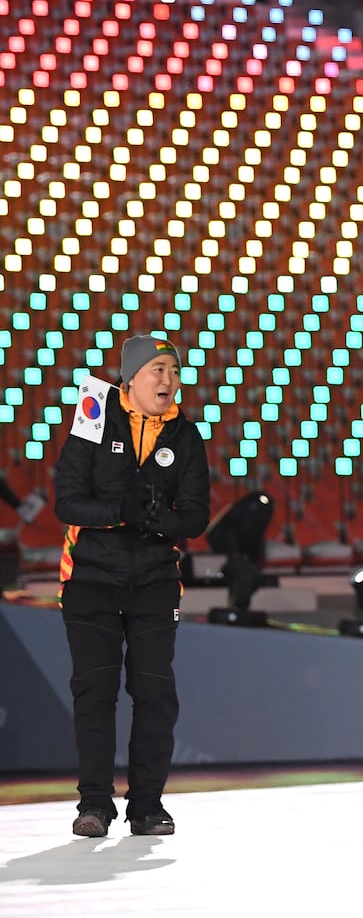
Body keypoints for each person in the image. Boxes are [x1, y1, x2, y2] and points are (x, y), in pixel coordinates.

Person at [53, 336, 211, 838]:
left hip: (154, 583)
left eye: (173, 371)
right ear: (131, 377)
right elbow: (68, 503)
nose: (168, 380)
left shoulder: (186, 437)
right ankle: (94, 805)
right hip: (90, 581)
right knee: (94, 693)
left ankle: (147, 806)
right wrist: (119, 514)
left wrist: (160, 521)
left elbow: (197, 517)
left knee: (155, 694)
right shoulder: (93, 421)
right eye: (157, 370)